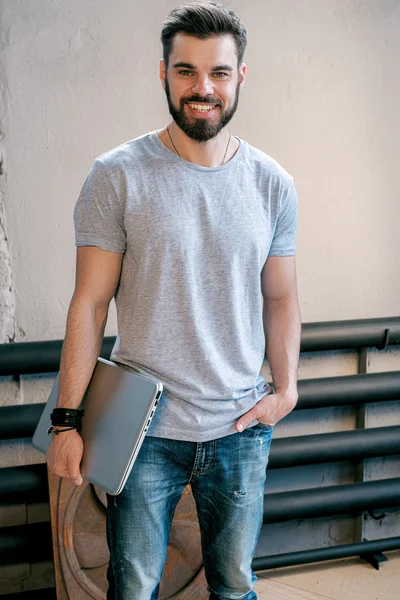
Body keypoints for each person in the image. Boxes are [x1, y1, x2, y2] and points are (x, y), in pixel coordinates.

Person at [46, 2, 301, 598]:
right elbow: (88, 303)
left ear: (241, 77)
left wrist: (285, 389)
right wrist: (67, 420)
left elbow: (282, 295)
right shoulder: (117, 175)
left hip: (240, 428)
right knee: (132, 586)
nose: (202, 88)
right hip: (144, 431)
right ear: (163, 74)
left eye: (218, 72)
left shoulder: (273, 184)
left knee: (234, 584)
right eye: (185, 71)